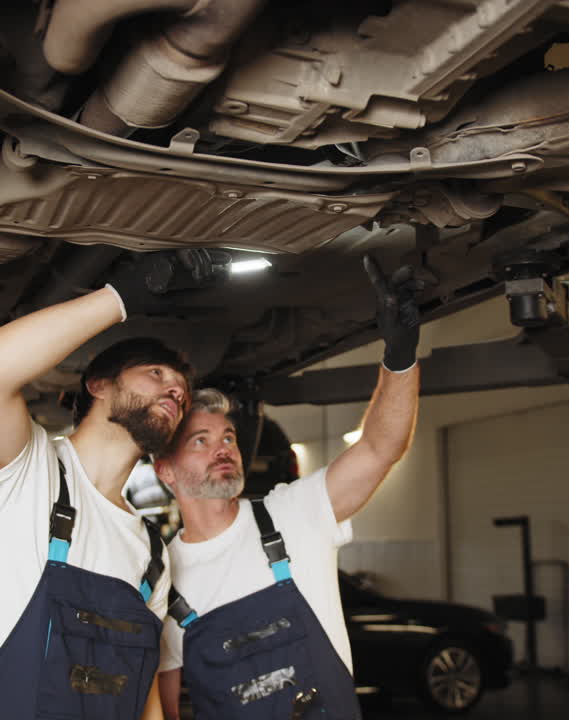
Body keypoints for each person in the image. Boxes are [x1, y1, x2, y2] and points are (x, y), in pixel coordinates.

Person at [154, 257, 422, 720]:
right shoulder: (163, 580)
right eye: (201, 441)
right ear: (166, 471)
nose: (223, 449)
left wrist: (399, 357)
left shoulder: (292, 516)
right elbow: (163, 709)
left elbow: (381, 446)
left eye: (229, 438)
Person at [0, 264, 195, 720]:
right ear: (98, 385)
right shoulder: (24, 470)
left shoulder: (151, 550)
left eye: (183, 393)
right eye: (156, 373)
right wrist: (122, 294)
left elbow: (143, 689)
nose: (175, 390)